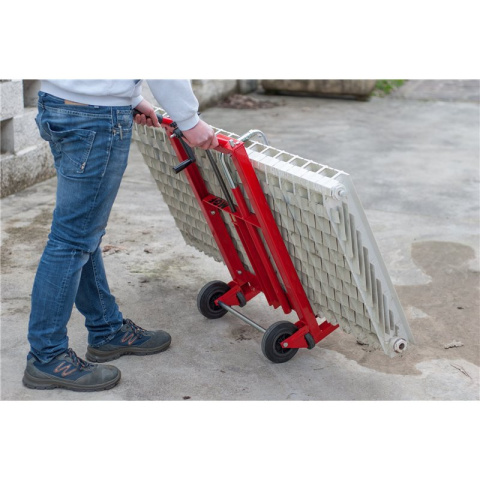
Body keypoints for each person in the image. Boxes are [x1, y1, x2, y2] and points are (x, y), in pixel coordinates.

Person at [23, 80, 218, 392]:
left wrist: (131, 96)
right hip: (95, 117)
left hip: (59, 102)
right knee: (71, 241)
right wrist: (189, 120)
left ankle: (106, 329)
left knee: (82, 234)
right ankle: (47, 357)